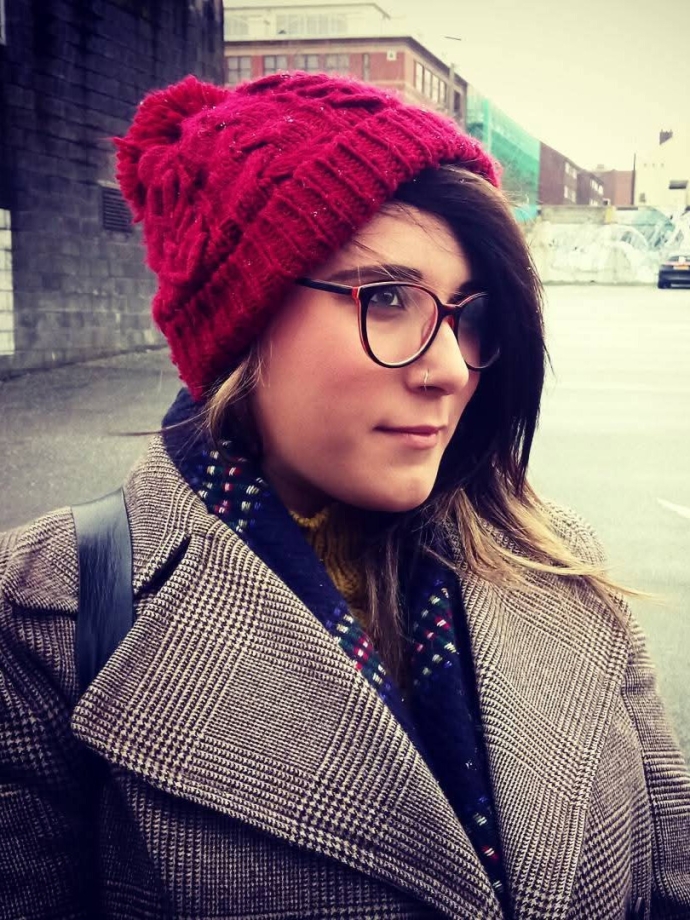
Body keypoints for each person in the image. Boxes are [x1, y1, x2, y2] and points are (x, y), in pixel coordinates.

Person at [0, 72, 688, 920]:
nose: (449, 369)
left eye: (469, 313)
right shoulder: (42, 614)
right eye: (388, 298)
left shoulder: (560, 564)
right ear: (246, 320)